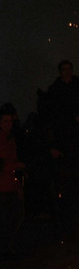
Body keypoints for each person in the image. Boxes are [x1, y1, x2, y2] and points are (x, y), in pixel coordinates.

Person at [0, 103, 26, 257]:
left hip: (11, 185)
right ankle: (5, 250)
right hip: (2, 187)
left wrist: (18, 185)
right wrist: (16, 165)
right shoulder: (2, 139)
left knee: (16, 216)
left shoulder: (10, 138)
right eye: (5, 122)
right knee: (8, 219)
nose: (9, 125)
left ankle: (7, 249)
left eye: (10, 122)